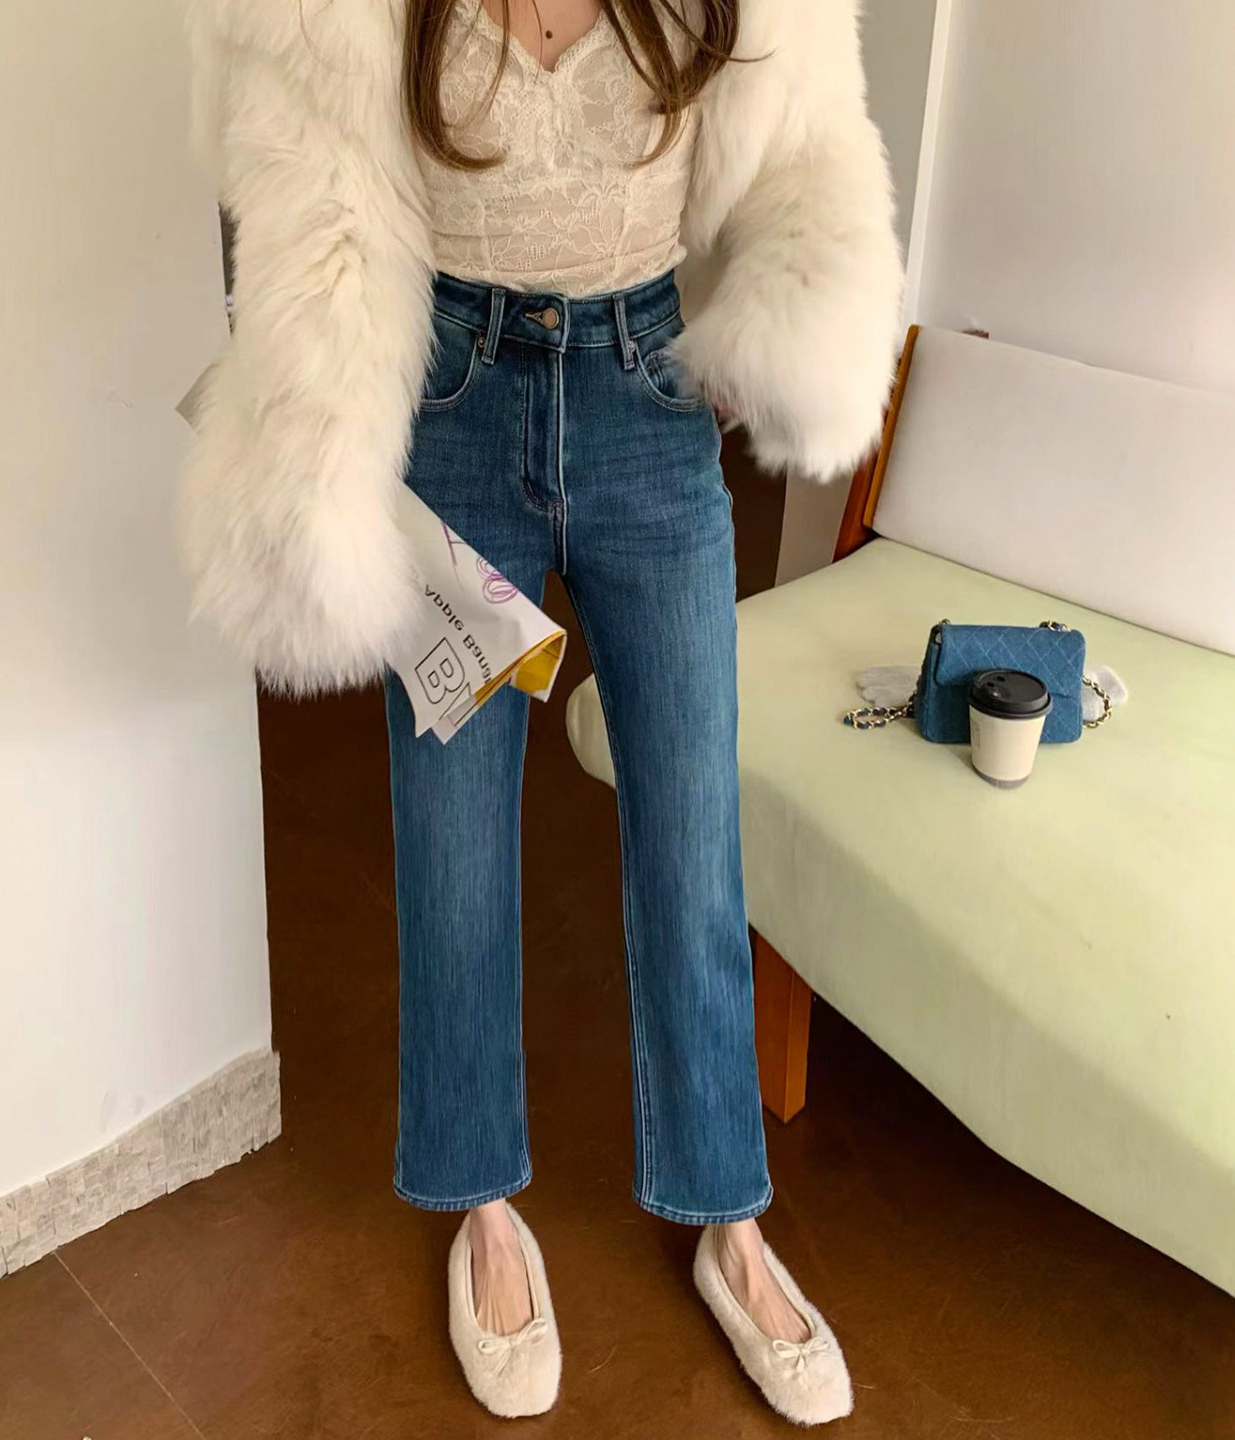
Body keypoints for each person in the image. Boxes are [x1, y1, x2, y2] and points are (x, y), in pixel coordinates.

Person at [183, 0, 902, 1423]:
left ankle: (728, 1216)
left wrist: (796, 324)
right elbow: (303, 193)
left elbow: (805, 150)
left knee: (694, 836)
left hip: (646, 399)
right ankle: (482, 1203)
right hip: (452, 408)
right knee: (452, 847)